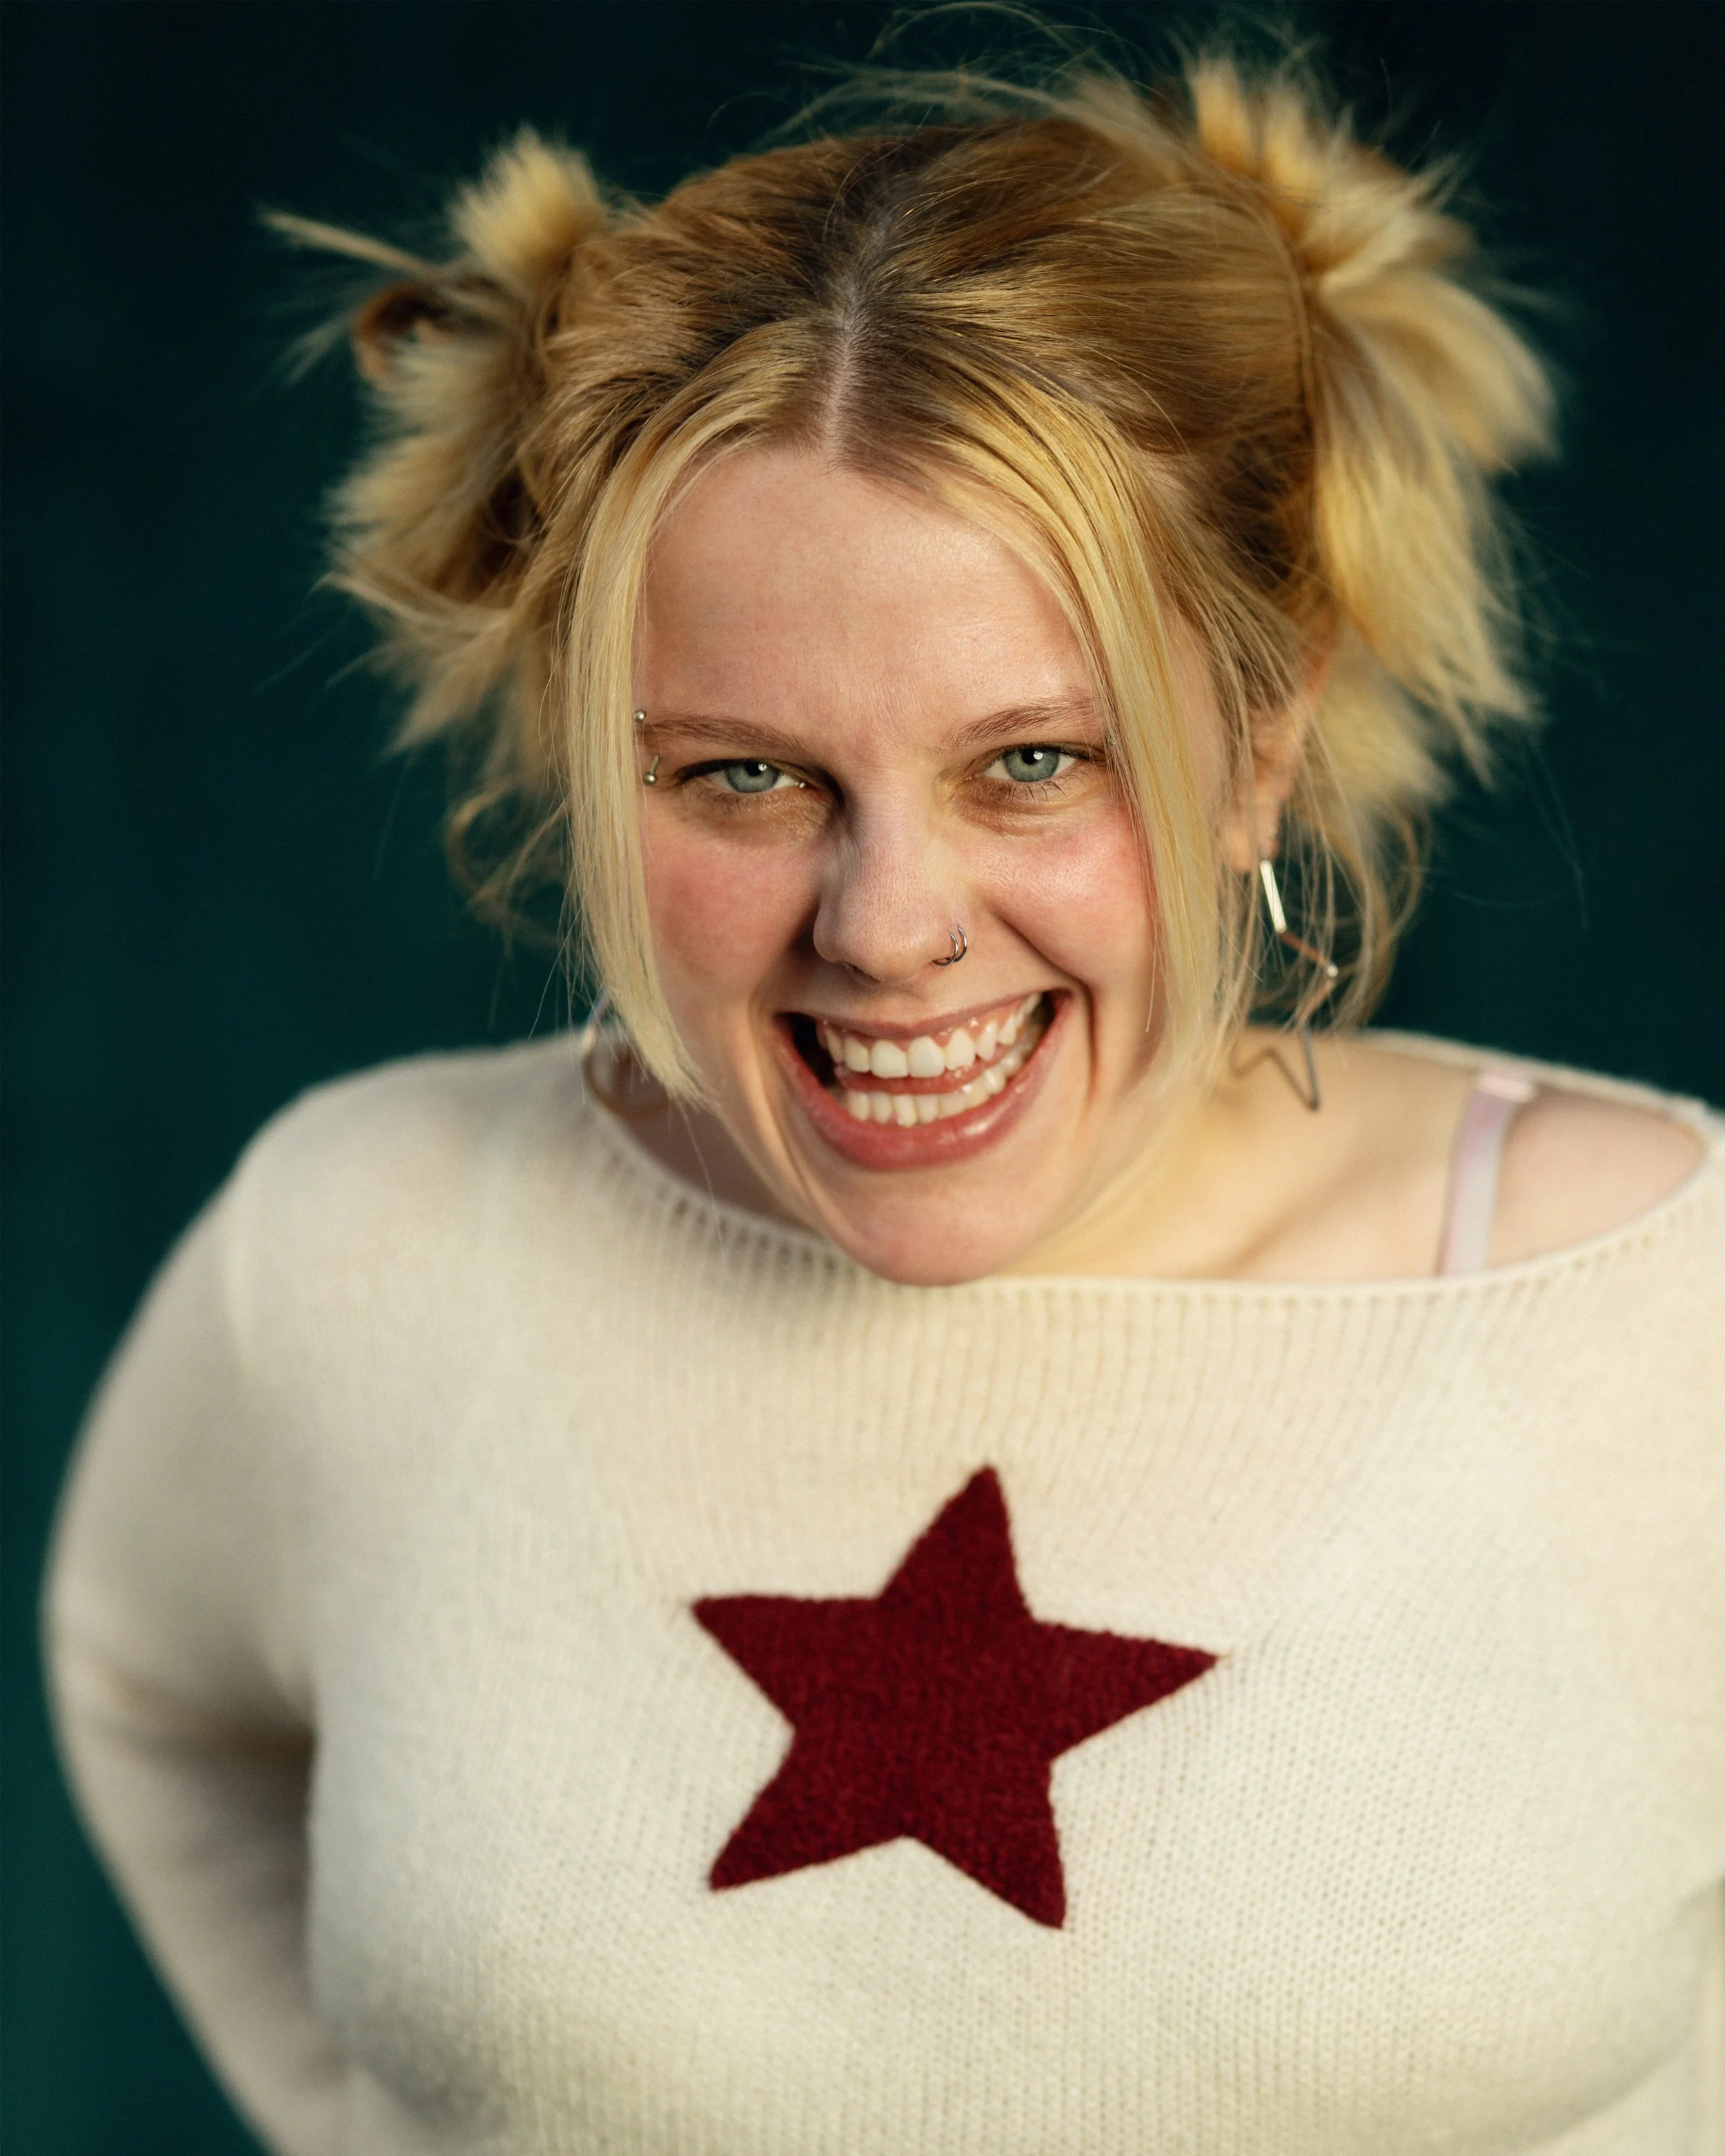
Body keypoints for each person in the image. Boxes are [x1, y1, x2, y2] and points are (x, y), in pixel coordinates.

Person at [43, 46, 1724, 2156]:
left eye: (1033, 757)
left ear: (1262, 743)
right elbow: (147, 1678)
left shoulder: (1665, 1304)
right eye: (741, 771)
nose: (889, 924)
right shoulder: (359, 1240)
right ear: (588, 762)